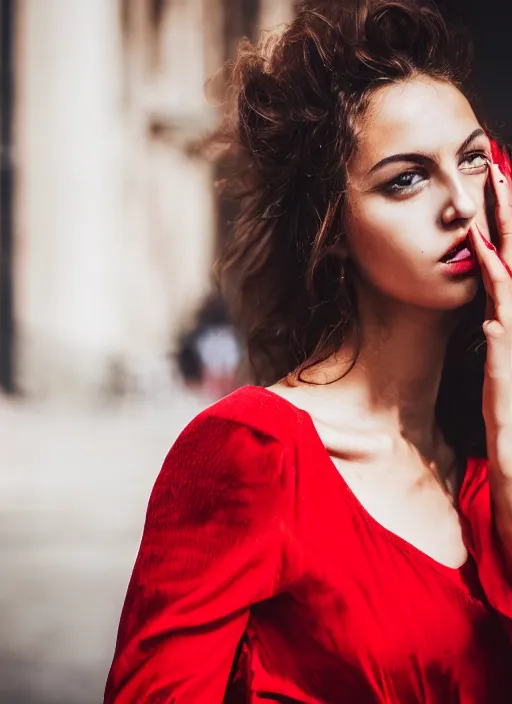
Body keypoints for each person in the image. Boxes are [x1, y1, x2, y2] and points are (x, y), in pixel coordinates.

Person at [104, 1, 512, 701]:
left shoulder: (484, 465)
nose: (463, 206)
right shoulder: (251, 451)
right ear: (333, 229)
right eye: (405, 179)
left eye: (473, 161)